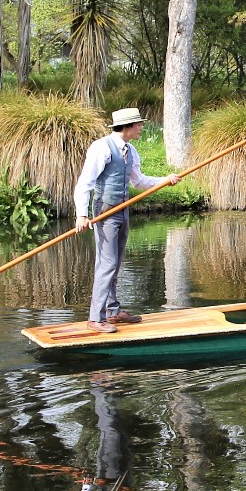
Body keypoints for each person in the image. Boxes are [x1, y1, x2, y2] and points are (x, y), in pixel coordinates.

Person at [73, 107, 180, 332]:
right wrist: (82, 214)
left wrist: (165, 180)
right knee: (107, 263)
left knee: (116, 262)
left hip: (123, 211)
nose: (142, 127)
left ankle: (112, 312)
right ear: (128, 126)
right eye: (139, 124)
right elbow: (85, 183)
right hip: (105, 213)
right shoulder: (102, 148)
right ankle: (96, 318)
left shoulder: (130, 151)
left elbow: (138, 182)